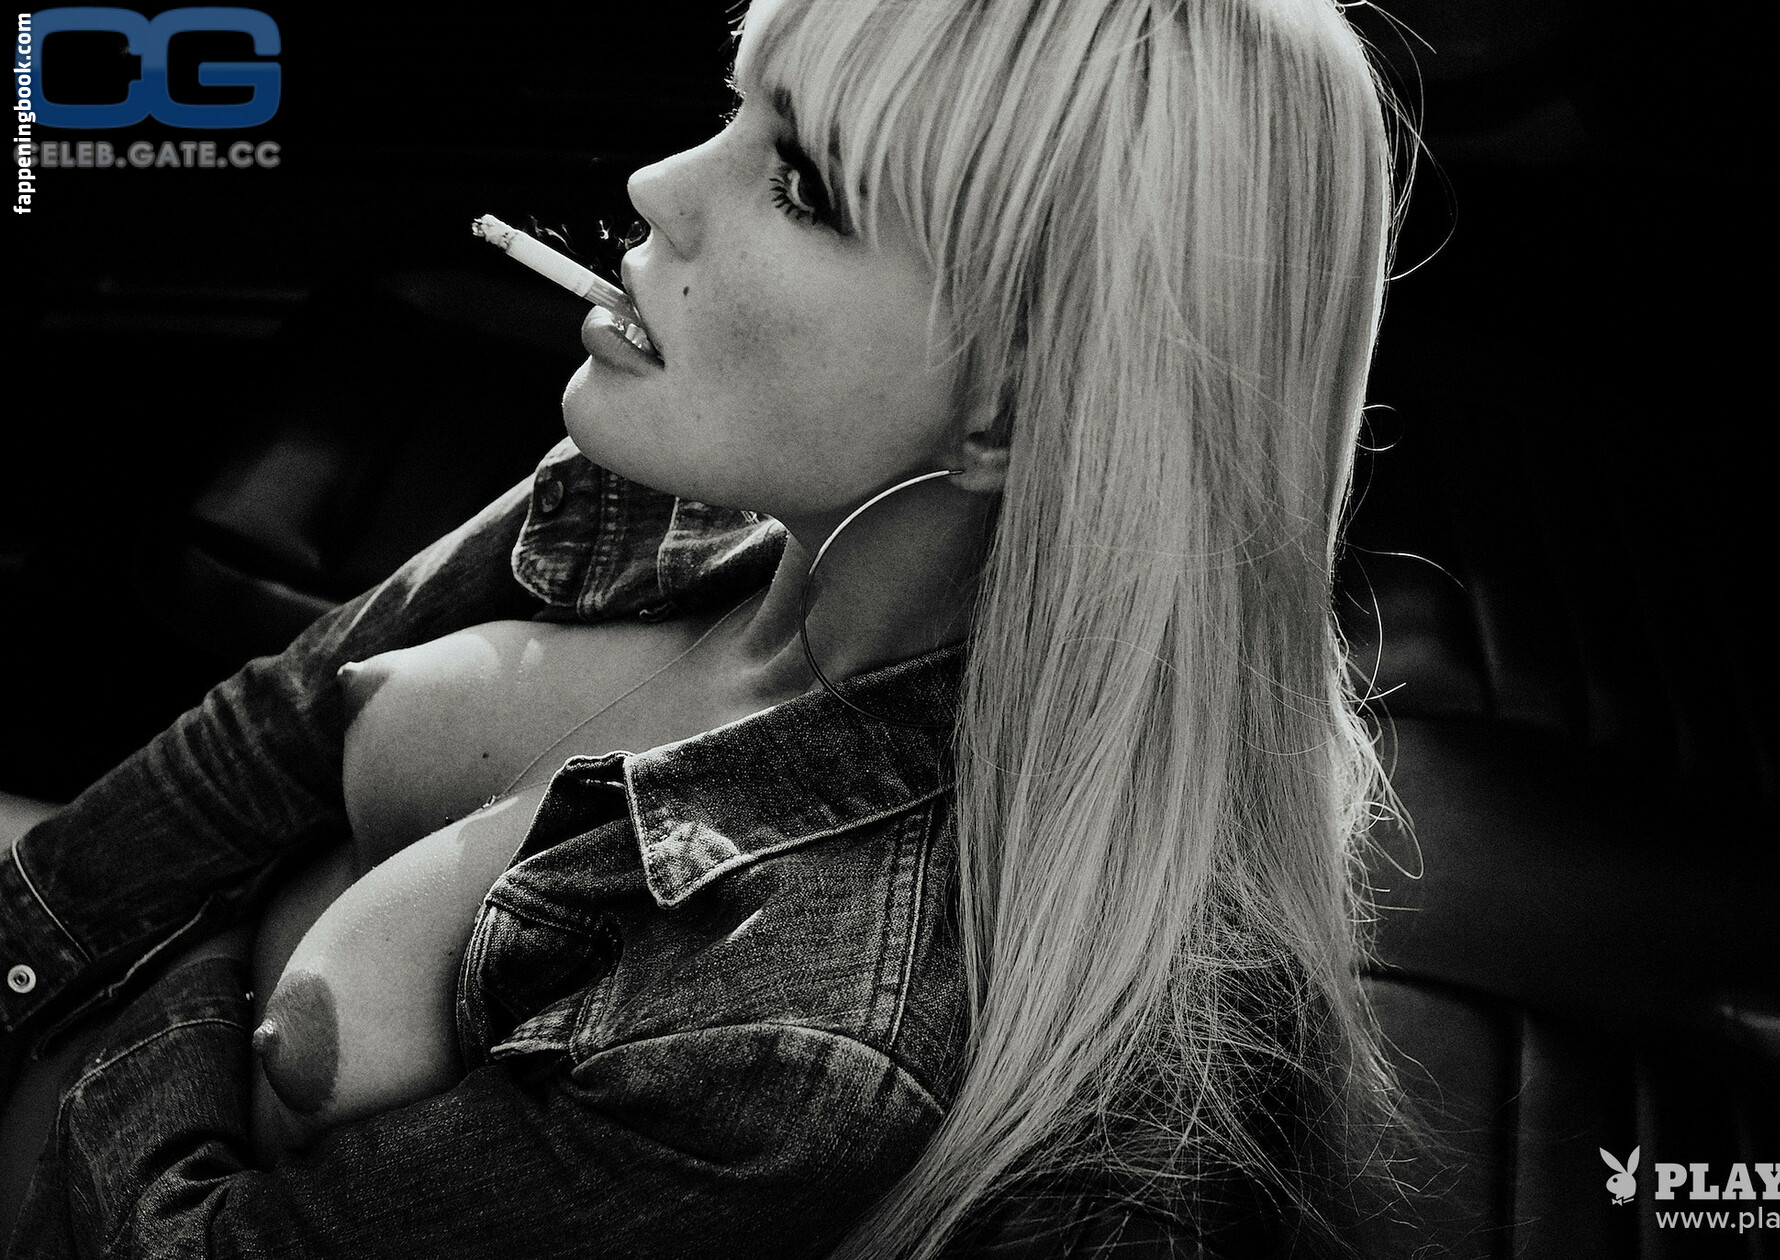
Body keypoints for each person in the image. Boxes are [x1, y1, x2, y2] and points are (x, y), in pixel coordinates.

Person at [0, 0, 1407, 1254]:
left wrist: (193, 951)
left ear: (1011, 404)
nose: (658, 186)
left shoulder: (802, 1045)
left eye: (803, 184)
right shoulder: (668, 490)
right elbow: (272, 725)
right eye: (737, 107)